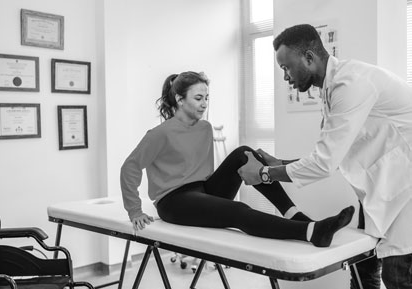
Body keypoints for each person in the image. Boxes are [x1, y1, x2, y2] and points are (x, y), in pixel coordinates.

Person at [237, 24, 412, 289]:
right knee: (362, 266)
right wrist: (280, 163)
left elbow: (323, 164)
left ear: (309, 57)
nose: (285, 77)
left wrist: (262, 174)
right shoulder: (331, 90)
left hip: (405, 187)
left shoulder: (351, 83)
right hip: (383, 184)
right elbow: (330, 153)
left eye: (286, 67)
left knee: (397, 274)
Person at [120, 71, 354, 248]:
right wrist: (135, 211)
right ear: (180, 100)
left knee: (245, 154)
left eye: (207, 98)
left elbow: (201, 172)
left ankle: (295, 214)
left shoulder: (205, 128)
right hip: (174, 202)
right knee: (239, 210)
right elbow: (130, 167)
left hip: (202, 191)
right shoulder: (160, 134)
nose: (204, 104)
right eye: (198, 98)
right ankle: (311, 232)